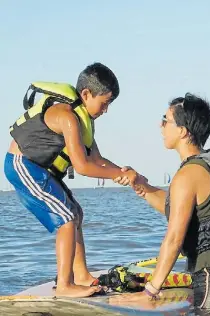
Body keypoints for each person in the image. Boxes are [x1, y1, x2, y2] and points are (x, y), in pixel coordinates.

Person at [4, 62, 140, 298]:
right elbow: (83, 166)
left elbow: (96, 158)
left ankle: (81, 275)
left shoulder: (84, 120)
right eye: (104, 103)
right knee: (66, 219)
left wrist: (124, 171)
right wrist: (118, 176)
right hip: (22, 165)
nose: (106, 110)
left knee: (75, 213)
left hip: (41, 170)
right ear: (86, 94)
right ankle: (65, 286)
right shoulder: (67, 116)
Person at [116, 93, 210, 309]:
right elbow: (187, 212)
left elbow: (173, 240)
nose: (160, 126)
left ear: (182, 130)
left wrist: (151, 290)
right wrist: (142, 187)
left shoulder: (187, 175)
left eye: (166, 119)